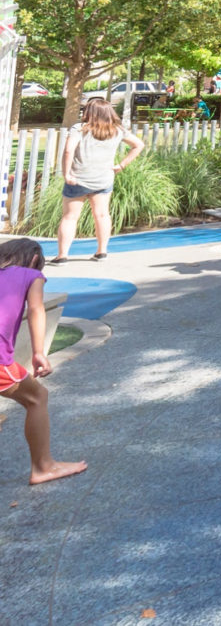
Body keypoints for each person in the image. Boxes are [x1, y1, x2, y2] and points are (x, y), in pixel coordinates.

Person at [0, 240, 87, 485]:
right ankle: (43, 467)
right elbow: (37, 309)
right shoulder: (31, 274)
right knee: (37, 397)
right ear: (33, 260)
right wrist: (39, 352)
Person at [53, 101, 143, 263]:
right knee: (102, 215)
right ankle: (101, 252)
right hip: (103, 179)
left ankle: (62, 255)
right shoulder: (117, 130)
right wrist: (121, 165)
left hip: (78, 179)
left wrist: (67, 173)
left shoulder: (79, 129)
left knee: (70, 217)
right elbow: (139, 145)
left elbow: (68, 150)